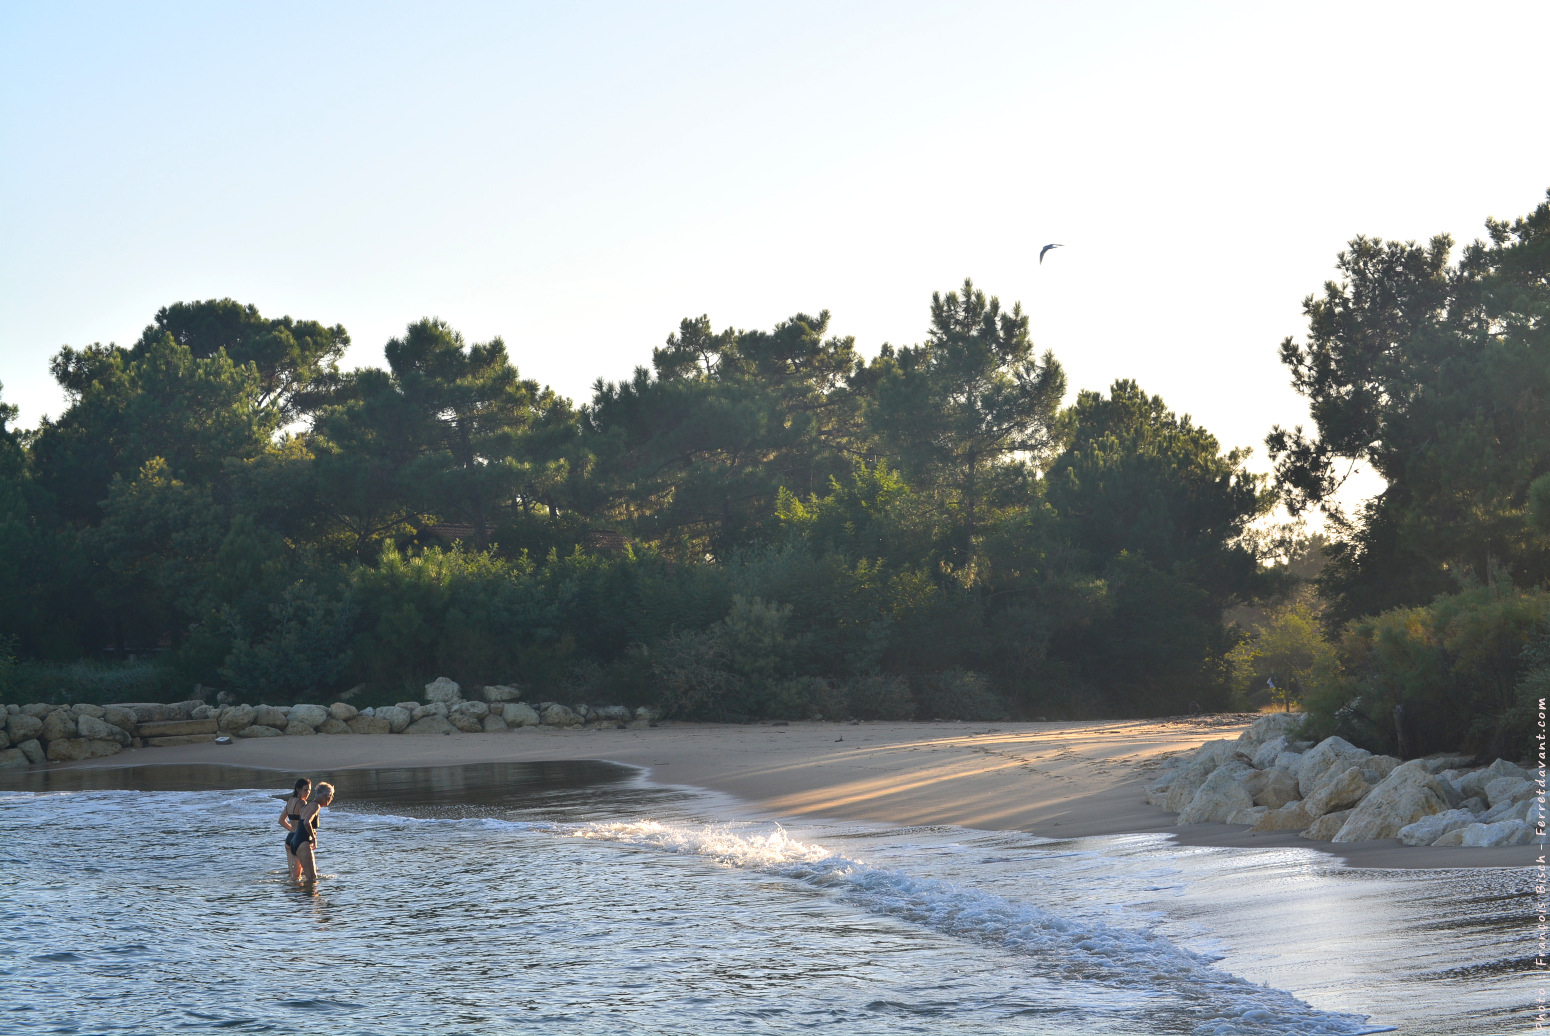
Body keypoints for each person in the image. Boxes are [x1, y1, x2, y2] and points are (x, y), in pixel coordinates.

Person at [289, 781, 335, 883]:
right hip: (303, 843)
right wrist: (313, 837)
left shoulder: (308, 805)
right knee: (312, 879)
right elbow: (306, 822)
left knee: (294, 880)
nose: (330, 799)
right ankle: (311, 899)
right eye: (331, 796)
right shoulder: (316, 806)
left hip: (295, 841)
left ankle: (294, 898)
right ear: (325, 795)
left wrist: (312, 832)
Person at [279, 778, 312, 880]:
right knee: (307, 877)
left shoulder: (290, 802)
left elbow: (281, 820)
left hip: (290, 839)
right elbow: (306, 821)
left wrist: (292, 830)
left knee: (294, 876)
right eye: (305, 790)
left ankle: (291, 895)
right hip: (300, 840)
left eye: (309, 790)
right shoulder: (302, 803)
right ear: (298, 790)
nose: (308, 793)